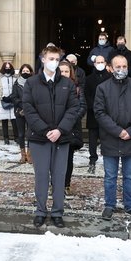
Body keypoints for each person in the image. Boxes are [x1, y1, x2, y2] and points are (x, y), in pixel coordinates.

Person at [22, 45, 82, 228]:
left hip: (61, 138)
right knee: (41, 176)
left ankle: (57, 212)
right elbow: (29, 109)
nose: (54, 62)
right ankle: (41, 211)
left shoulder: (68, 84)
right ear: (43, 59)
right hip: (39, 138)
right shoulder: (31, 83)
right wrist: (45, 130)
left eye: (57, 59)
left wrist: (60, 130)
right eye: (51, 59)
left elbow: (73, 109)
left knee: (59, 176)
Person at [95, 54, 131, 221]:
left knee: (130, 176)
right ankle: (109, 205)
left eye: (124, 66)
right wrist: (118, 131)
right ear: (110, 68)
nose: (121, 69)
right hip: (111, 138)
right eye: (118, 66)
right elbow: (100, 113)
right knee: (110, 176)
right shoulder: (102, 88)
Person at [58, 61, 86, 195]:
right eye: (61, 71)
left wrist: (69, 120)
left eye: (66, 71)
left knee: (68, 159)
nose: (63, 74)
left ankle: (66, 184)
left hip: (71, 129)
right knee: (54, 159)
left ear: (71, 73)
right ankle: (55, 183)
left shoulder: (77, 89)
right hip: (55, 128)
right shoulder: (52, 86)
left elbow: (82, 107)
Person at [84, 54, 112, 172]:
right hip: (93, 112)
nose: (100, 64)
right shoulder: (89, 78)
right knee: (92, 137)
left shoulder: (111, 77)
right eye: (97, 62)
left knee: (107, 136)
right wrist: (94, 107)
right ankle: (92, 157)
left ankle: (108, 156)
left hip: (107, 112)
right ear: (94, 64)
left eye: (102, 62)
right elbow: (87, 95)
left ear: (105, 63)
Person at [12, 63, 34, 164]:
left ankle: (29, 155)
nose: (25, 73)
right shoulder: (16, 83)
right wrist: (22, 105)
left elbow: (36, 97)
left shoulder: (34, 83)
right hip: (19, 111)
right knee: (21, 134)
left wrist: (27, 107)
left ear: (31, 72)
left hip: (31, 111)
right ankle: (23, 155)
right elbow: (14, 97)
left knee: (30, 133)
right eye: (24, 71)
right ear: (21, 72)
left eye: (27, 71)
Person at [0, 61, 18, 146]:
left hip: (13, 101)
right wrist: (3, 97)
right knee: (4, 121)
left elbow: (17, 89)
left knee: (14, 120)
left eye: (9, 67)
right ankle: (6, 138)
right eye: (6, 67)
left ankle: (16, 137)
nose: (7, 69)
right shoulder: (0, 79)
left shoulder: (15, 79)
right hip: (3, 101)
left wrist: (11, 97)